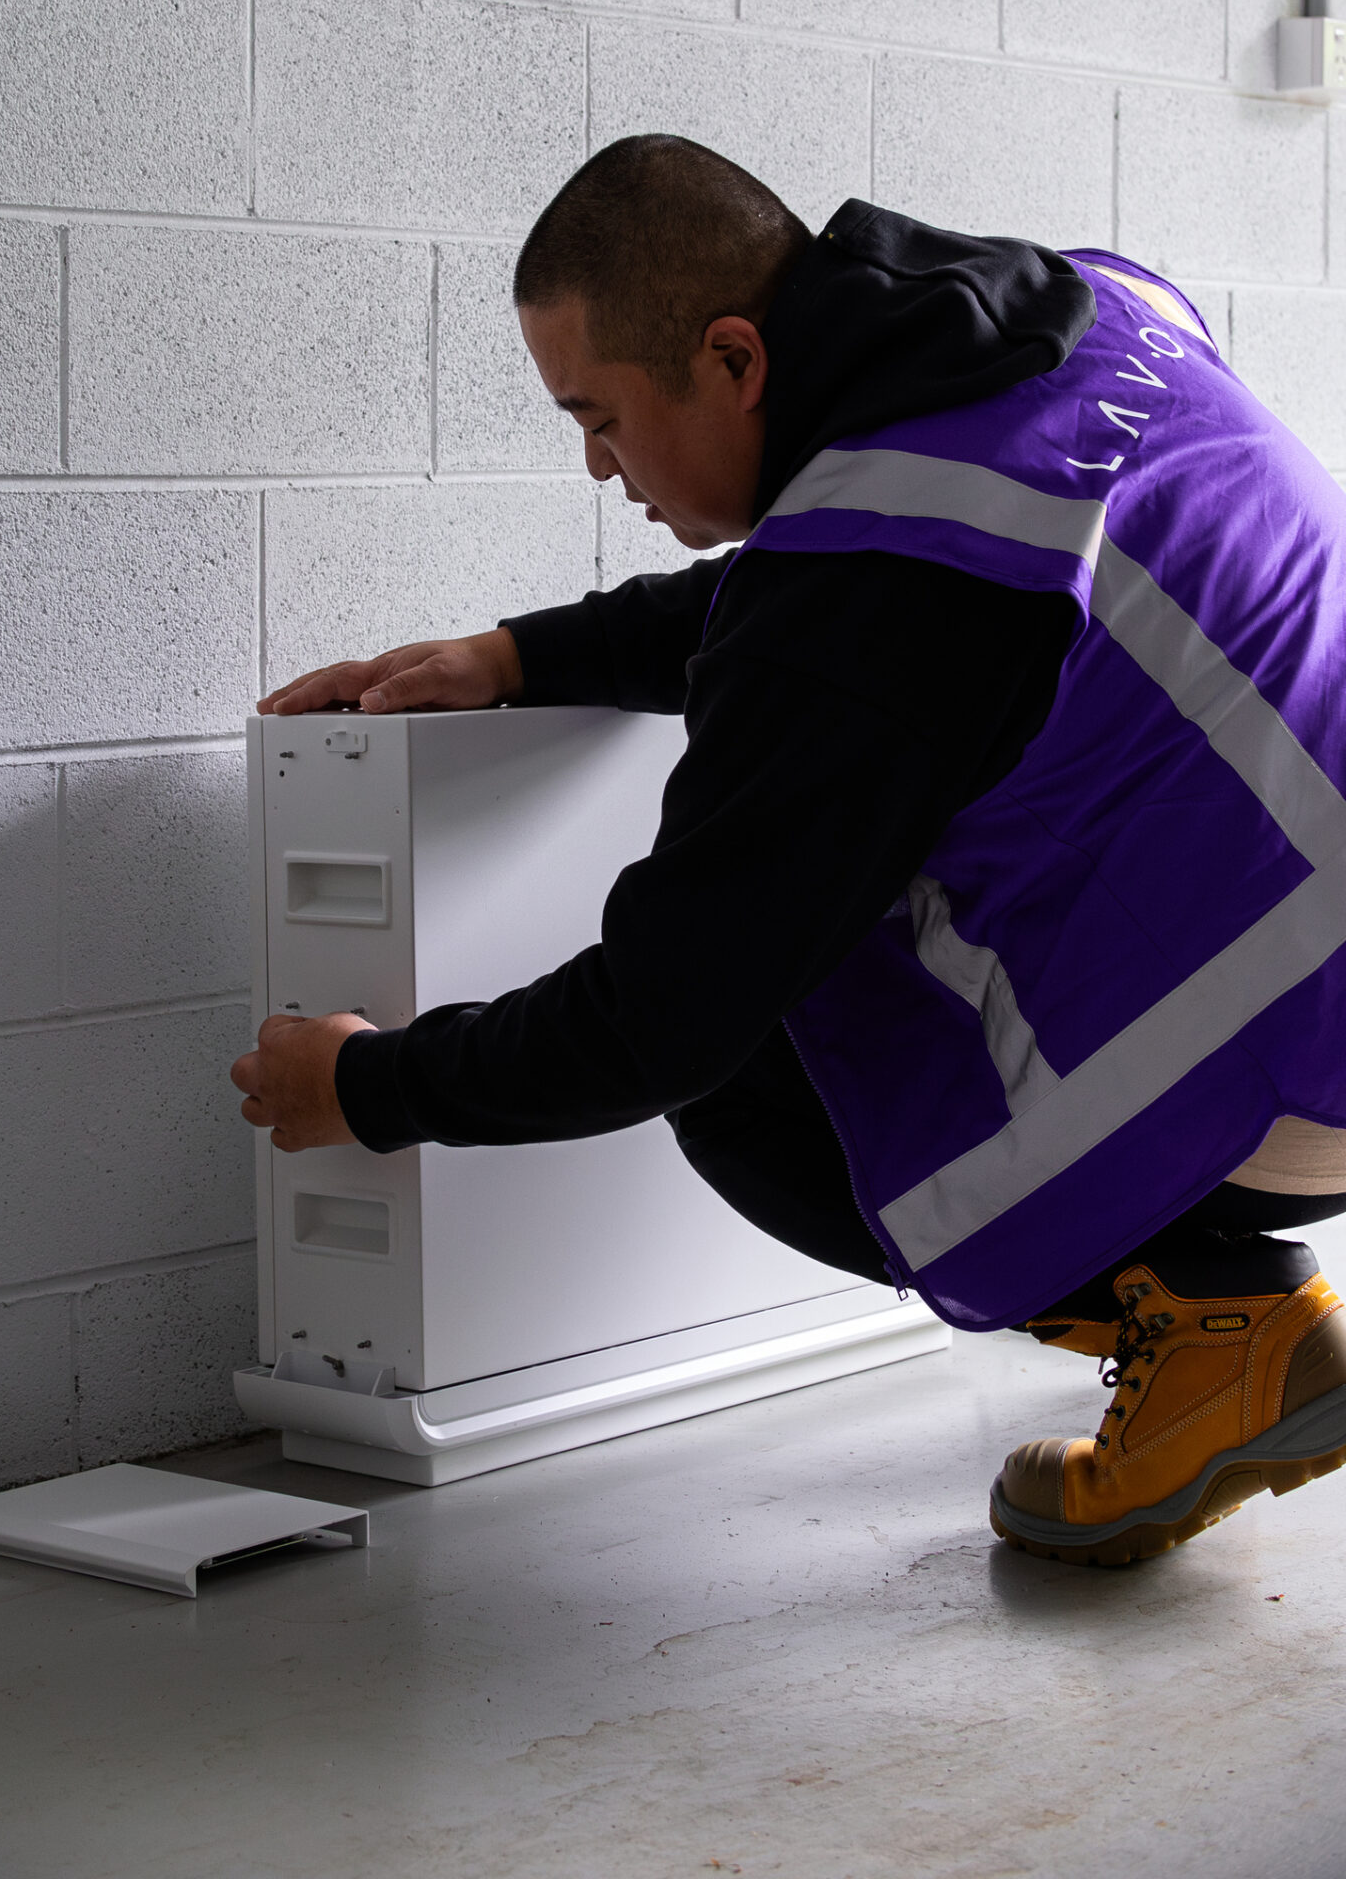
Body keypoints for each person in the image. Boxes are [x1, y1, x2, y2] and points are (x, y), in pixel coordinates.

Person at [231, 135, 1346, 1568]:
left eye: (601, 417)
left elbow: (659, 1016)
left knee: (761, 1062)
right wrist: (516, 657)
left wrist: (368, 1084)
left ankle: (1219, 1325)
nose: (595, 466)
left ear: (737, 361)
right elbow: (853, 596)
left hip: (1297, 1051)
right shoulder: (1079, 313)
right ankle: (1220, 1315)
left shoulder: (866, 586)